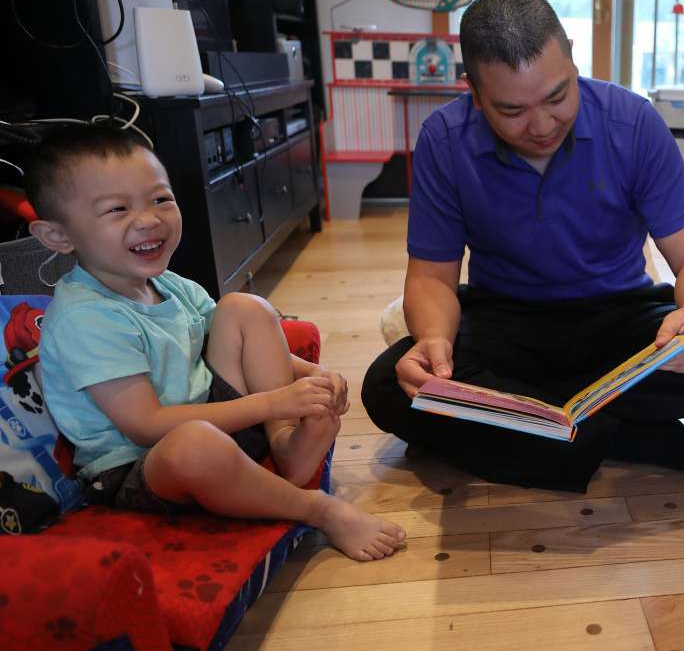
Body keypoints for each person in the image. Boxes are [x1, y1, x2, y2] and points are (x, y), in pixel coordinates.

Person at [362, 0, 684, 493]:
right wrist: (434, 342)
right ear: (472, 90)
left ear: (572, 55)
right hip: (505, 320)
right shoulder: (445, 139)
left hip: (619, 317)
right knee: (388, 387)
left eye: (557, 96)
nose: (542, 125)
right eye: (511, 110)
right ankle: (642, 441)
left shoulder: (633, 124)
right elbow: (431, 278)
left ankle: (535, 426)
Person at [26, 124, 406, 561]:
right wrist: (274, 403)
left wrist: (314, 379)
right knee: (195, 443)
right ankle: (315, 508)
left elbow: (227, 342)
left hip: (215, 418)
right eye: (117, 209)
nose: (149, 219)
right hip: (142, 465)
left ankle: (284, 445)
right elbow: (146, 426)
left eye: (160, 199)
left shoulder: (168, 284)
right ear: (59, 236)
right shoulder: (84, 317)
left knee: (245, 307)